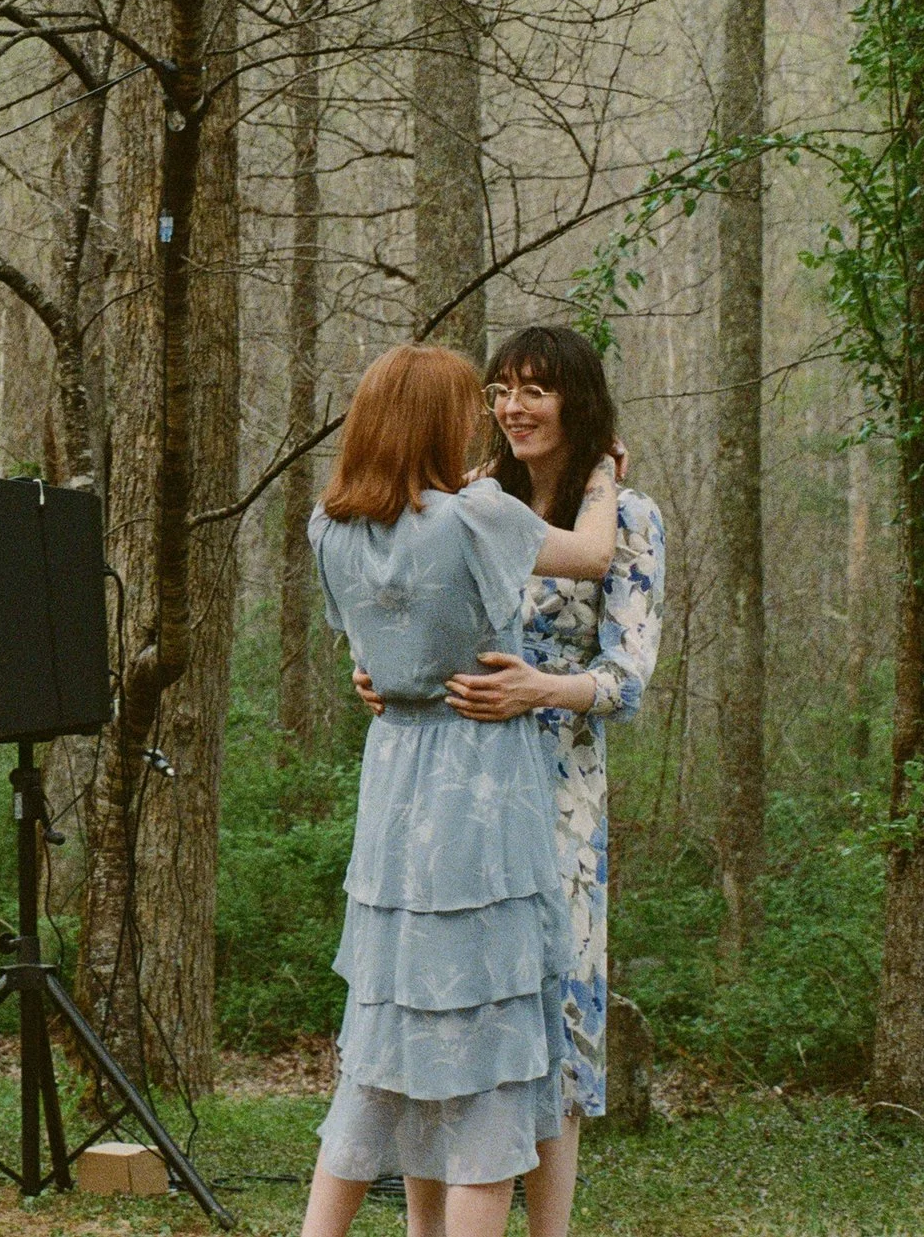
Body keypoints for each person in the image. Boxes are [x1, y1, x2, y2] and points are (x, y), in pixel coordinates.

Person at [298, 343, 619, 1237]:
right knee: (483, 1043)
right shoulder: (478, 514)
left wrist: (387, 677)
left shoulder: (330, 527)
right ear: (441, 424)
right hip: (480, 787)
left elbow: (373, 654)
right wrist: (600, 479)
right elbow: (593, 555)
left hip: (394, 782)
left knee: (390, 1019)